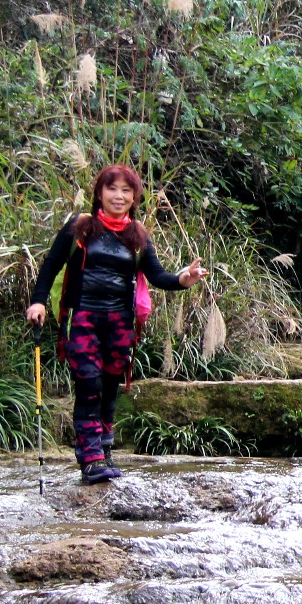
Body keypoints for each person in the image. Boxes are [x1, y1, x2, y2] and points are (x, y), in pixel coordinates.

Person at [26, 164, 207, 484]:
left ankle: (105, 448)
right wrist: (39, 300)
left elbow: (158, 276)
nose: (119, 196)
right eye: (112, 189)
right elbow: (51, 266)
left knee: (109, 388)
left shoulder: (137, 235)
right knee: (89, 385)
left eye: (126, 190)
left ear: (135, 196)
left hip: (119, 324)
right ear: (100, 193)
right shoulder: (80, 227)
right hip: (82, 319)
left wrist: (184, 278)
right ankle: (90, 456)